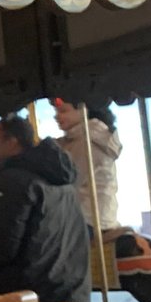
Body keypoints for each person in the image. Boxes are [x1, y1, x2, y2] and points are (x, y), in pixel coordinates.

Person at [0, 114, 91, 302]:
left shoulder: (12, 180)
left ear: (12, 142)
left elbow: (0, 248)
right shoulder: (62, 180)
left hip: (32, 285)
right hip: (72, 287)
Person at [51, 98, 120, 233]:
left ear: (84, 110)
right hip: (97, 215)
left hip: (88, 218)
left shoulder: (89, 140)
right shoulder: (81, 138)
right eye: (56, 111)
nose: (57, 116)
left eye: (63, 111)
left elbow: (70, 179)